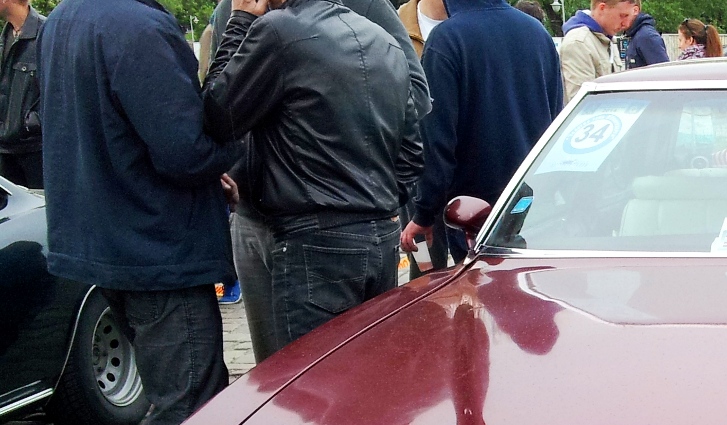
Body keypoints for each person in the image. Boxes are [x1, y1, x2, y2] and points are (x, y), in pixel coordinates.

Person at [38, 0, 238, 425]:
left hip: (106, 241)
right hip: (157, 250)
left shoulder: (66, 18)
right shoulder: (140, 28)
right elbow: (185, 152)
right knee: (189, 411)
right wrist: (232, 149)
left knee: (175, 396)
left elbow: (114, 128)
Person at [207, 0, 427, 360]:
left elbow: (217, 114)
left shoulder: (276, 30)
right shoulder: (381, 40)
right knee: (364, 376)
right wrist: (377, 203)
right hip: (375, 235)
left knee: (307, 393)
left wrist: (240, 22)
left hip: (313, 235)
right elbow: (412, 154)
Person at [401, 0, 562, 261]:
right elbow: (556, 122)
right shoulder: (537, 33)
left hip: (473, 213)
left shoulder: (447, 39)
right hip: (533, 203)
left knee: (480, 296)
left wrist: (425, 213)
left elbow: (437, 139)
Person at [0, 0, 43, 188]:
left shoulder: (47, 34)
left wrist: (32, 123)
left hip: (36, 151)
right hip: (5, 150)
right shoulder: (5, 37)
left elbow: (61, 90)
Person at [558, 0, 635, 104]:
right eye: (622, 16)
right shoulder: (579, 43)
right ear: (602, 8)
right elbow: (581, 103)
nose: (626, 24)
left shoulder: (607, 39)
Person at [624, 0, 667, 66]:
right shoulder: (635, 35)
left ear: (635, 10)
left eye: (624, 15)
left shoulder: (646, 36)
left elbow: (663, 72)